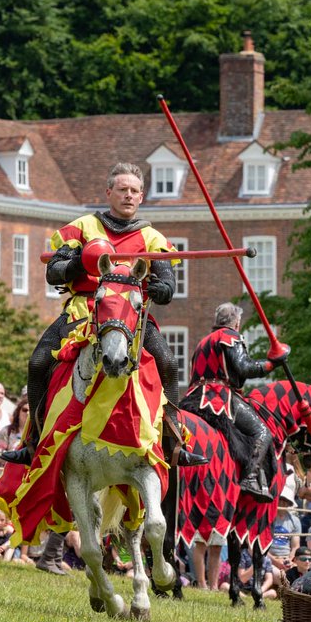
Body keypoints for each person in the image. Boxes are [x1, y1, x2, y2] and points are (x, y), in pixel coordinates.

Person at [27, 162, 189, 464]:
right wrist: (79, 263)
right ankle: (32, 440)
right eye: (123, 189)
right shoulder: (83, 227)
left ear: (141, 197)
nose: (128, 196)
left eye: (134, 191)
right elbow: (54, 272)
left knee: (168, 362)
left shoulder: (152, 237)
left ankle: (174, 437)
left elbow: (168, 284)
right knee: (38, 363)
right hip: (84, 310)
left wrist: (161, 289)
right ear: (109, 192)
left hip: (130, 315)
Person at [181, 302, 287, 499]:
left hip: (192, 397)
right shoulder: (230, 336)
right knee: (262, 432)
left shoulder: (202, 342)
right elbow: (244, 367)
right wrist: (272, 364)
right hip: (217, 396)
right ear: (237, 323)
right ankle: (251, 478)